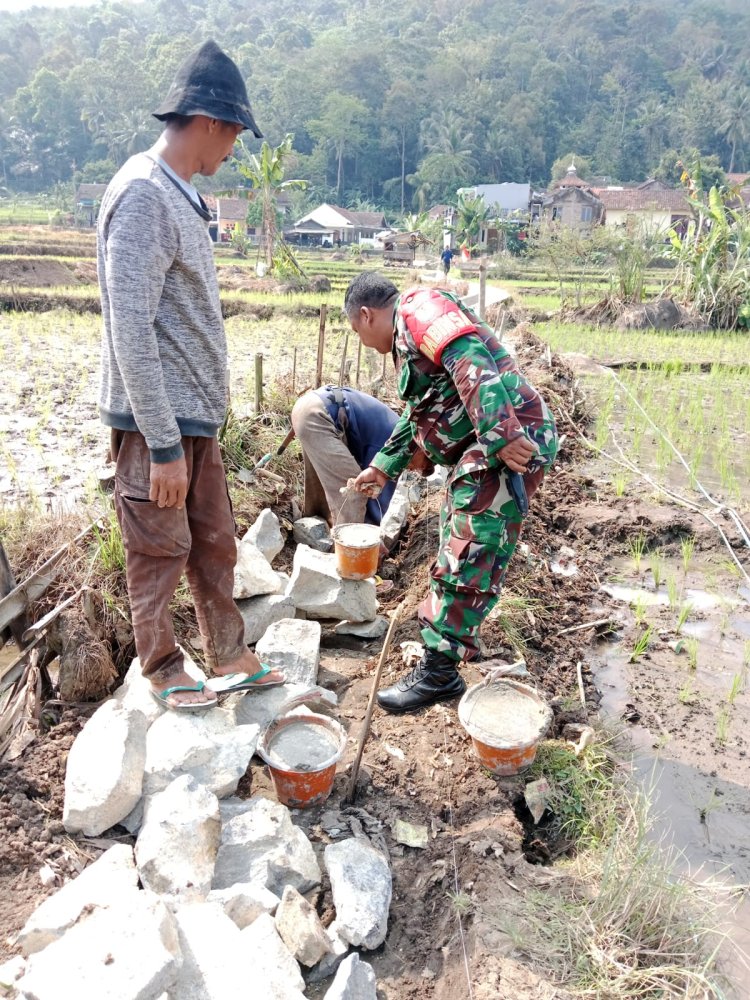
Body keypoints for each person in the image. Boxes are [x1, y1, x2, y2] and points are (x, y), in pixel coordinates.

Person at [97, 40, 284, 711]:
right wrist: (165, 445)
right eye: (235, 133)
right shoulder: (145, 196)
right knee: (158, 547)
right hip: (160, 426)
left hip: (193, 417)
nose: (233, 149)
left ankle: (228, 654)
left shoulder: (182, 197)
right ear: (210, 122)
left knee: (213, 541)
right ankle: (159, 666)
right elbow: (131, 330)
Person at [344, 273, 558, 714]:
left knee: (469, 547)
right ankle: (442, 664)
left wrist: (500, 432)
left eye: (357, 332)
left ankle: (440, 673)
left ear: (366, 316)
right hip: (488, 445)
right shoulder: (410, 343)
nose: (364, 343)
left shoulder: (418, 309)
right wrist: (382, 468)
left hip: (504, 441)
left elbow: (469, 357)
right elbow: (420, 414)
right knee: (457, 541)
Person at [291, 386, 399, 527]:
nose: (417, 469)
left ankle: (316, 528)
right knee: (354, 487)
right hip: (319, 416)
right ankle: (351, 546)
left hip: (311, 407)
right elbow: (373, 487)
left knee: (328, 476)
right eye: (423, 465)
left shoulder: (399, 429)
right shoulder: (394, 446)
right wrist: (371, 530)